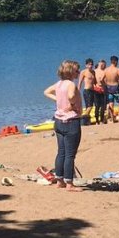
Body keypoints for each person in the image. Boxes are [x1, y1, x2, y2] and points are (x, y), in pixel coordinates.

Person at [44, 60, 83, 192]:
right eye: (77, 70)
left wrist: (60, 100)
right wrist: (71, 104)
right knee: (70, 154)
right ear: (71, 71)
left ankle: (59, 180)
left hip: (58, 121)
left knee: (61, 152)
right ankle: (69, 184)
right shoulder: (71, 84)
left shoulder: (59, 84)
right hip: (71, 121)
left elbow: (46, 92)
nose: (79, 73)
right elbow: (72, 96)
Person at [103, 55, 119, 123]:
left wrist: (105, 84)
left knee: (111, 103)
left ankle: (112, 119)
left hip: (108, 87)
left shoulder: (106, 70)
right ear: (116, 62)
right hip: (116, 87)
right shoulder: (117, 70)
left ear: (110, 61)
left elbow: (102, 79)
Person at [92, 59, 109, 124]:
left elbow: (106, 82)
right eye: (102, 64)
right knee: (97, 106)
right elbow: (92, 81)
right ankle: (97, 120)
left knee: (102, 106)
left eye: (104, 65)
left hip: (103, 90)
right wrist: (95, 86)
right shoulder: (94, 71)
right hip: (96, 90)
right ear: (99, 64)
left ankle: (101, 120)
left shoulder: (104, 72)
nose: (103, 66)